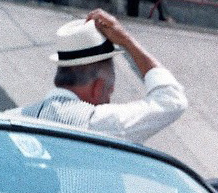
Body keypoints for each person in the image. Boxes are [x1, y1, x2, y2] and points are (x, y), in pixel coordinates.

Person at [10, 9, 187, 144]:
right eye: (109, 91)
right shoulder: (100, 123)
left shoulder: (11, 119)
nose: (109, 97)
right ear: (98, 87)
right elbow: (172, 100)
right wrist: (127, 41)